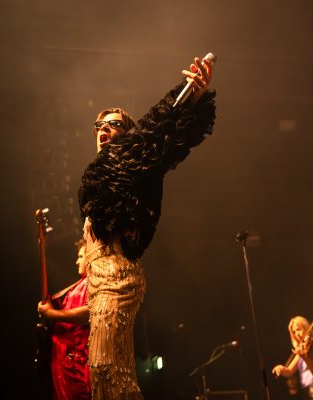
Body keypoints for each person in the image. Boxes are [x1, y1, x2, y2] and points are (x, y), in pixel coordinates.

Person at [78, 55, 216, 399]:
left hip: (116, 276)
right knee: (112, 372)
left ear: (129, 134)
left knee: (106, 368)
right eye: (99, 127)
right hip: (102, 281)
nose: (103, 130)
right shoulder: (108, 174)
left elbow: (158, 129)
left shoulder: (134, 159)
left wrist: (190, 94)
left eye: (112, 125)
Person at [37, 240, 91, 400]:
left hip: (76, 366)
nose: (77, 261)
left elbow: (91, 313)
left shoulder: (94, 283)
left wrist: (52, 314)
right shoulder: (80, 284)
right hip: (64, 365)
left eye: (81, 256)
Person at [272, 316, 313, 400]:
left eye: (298, 329)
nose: (296, 334)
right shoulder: (302, 349)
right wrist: (281, 368)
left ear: (305, 328)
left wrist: (305, 358)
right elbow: (289, 371)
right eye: (294, 332)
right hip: (305, 393)